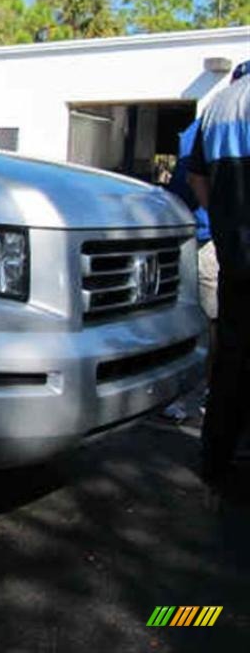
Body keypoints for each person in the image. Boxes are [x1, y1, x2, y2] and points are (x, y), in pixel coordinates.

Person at [188, 60, 250, 497]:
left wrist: (223, 221)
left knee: (232, 355)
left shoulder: (217, 104)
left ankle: (216, 459)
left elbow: (195, 175)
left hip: (235, 253)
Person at [160, 119, 218, 423]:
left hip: (191, 235)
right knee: (212, 319)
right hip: (208, 238)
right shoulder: (210, 127)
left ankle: (183, 395)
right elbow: (195, 179)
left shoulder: (203, 124)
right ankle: (199, 395)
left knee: (188, 313)